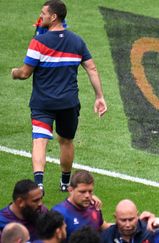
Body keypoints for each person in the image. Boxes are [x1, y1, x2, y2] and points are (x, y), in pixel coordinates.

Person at [10, 0, 107, 194]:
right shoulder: (77, 41)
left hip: (42, 103)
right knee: (66, 141)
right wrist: (99, 96)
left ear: (53, 17)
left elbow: (25, 73)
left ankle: (38, 184)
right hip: (68, 103)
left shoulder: (38, 42)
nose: (41, 17)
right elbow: (92, 68)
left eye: (43, 13)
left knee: (40, 140)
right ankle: (65, 183)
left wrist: (14, 72)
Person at [52, 170, 110, 239]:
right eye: (82, 192)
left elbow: (104, 227)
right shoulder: (59, 213)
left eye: (90, 191)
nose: (87, 196)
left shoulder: (94, 207)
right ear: (70, 190)